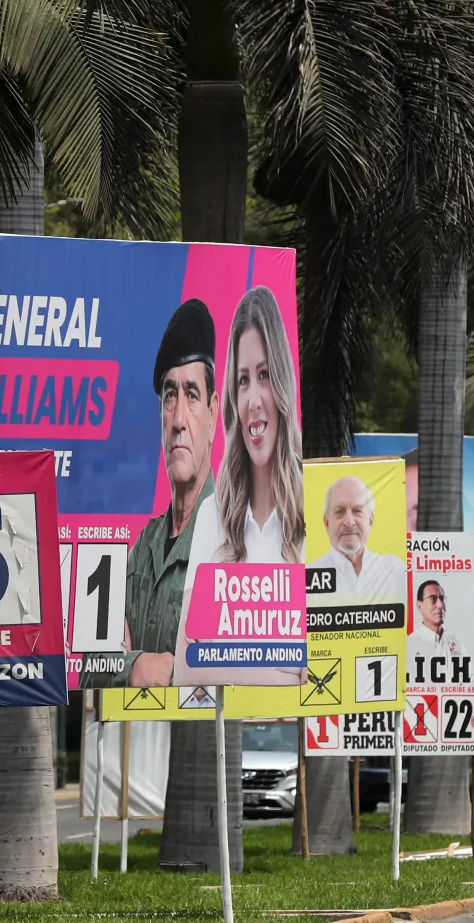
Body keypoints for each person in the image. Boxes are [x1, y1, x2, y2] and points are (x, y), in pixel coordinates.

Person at [82, 298, 218, 689]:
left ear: (213, 414)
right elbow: (92, 665)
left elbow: (232, 672)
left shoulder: (232, 541)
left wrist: (127, 656)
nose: (177, 420)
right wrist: (137, 667)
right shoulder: (143, 547)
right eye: (169, 396)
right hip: (133, 745)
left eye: (191, 395)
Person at [176, 285, 306, 686]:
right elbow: (186, 668)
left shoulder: (315, 518)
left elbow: (323, 670)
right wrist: (283, 668)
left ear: (282, 384)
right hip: (223, 731)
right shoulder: (212, 517)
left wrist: (227, 659)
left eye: (264, 375)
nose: (252, 398)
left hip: (300, 739)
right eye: (243, 380)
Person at [312, 475, 404, 602]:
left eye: (357, 511)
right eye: (339, 511)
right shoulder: (307, 576)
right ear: (327, 522)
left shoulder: (396, 572)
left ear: (370, 521)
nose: (349, 522)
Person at [411, 580, 466, 656]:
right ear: (420, 606)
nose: (440, 605)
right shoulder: (412, 642)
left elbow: (469, 667)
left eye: (442, 599)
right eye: (433, 599)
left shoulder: (453, 640)